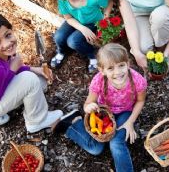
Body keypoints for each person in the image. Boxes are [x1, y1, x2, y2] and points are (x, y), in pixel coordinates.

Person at [0, 12, 69, 133]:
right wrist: (13, 69)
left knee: (40, 81)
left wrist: (36, 69)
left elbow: (6, 70)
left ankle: (3, 113)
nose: (6, 43)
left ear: (11, 30)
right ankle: (37, 121)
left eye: (8, 35)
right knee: (31, 80)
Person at [55, 43, 147, 172]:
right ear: (102, 70)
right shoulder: (99, 81)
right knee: (96, 148)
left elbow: (140, 101)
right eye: (110, 68)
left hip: (125, 112)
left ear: (128, 63)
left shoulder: (137, 80)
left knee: (116, 143)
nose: (118, 72)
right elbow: (88, 104)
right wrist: (88, 107)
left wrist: (130, 122)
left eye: (121, 65)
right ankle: (72, 125)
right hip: (103, 112)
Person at [44, 0, 113, 73]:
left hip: (92, 23)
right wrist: (82, 28)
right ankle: (61, 51)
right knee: (58, 37)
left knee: (73, 41)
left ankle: (92, 56)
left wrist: (106, 17)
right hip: (75, 21)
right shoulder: (62, 0)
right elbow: (68, 18)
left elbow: (109, 0)